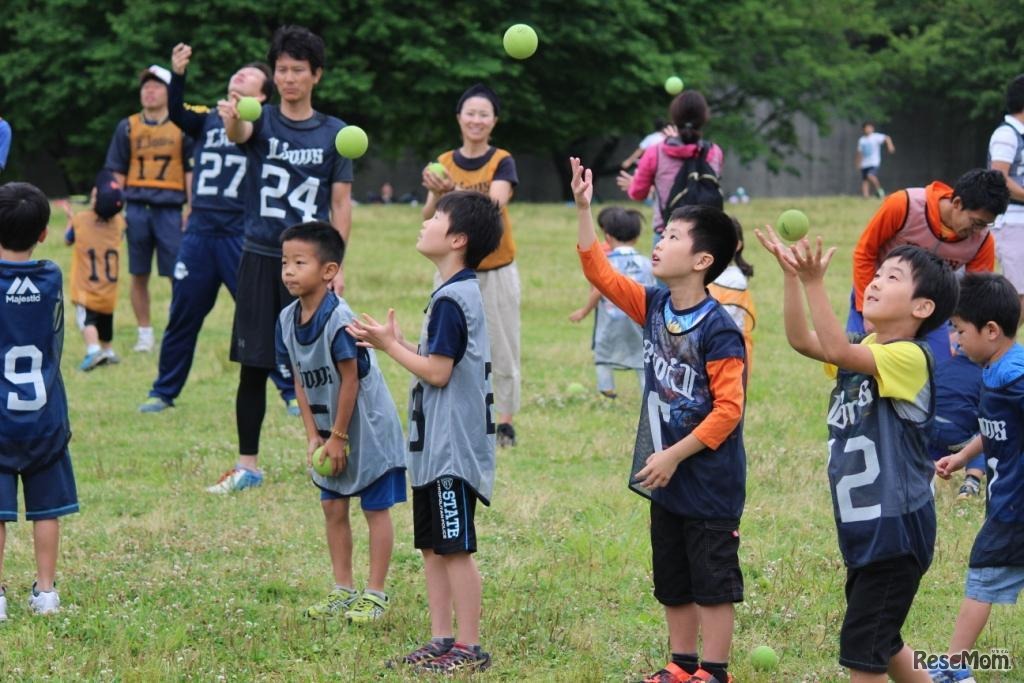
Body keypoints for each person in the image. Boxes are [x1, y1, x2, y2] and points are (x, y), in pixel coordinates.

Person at [758, 225, 959, 682]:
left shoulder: (911, 356)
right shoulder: (868, 347)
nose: (875, 281)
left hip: (896, 528)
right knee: (883, 642)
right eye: (878, 274)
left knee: (862, 652)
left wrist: (815, 283)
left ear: (921, 307)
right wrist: (793, 278)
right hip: (867, 524)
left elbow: (831, 346)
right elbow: (804, 341)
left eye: (892, 278)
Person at [572, 158, 746, 683]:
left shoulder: (719, 329)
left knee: (712, 579)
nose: (659, 241)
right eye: (662, 233)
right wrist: (584, 209)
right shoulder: (653, 305)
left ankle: (714, 672)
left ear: (701, 260)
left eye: (672, 236)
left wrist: (673, 454)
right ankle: (681, 664)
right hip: (664, 472)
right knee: (672, 576)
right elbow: (597, 272)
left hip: (707, 478)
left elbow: (729, 411)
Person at [348, 190, 502, 673]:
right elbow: (441, 361)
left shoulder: (455, 299)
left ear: (456, 238)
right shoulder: (448, 294)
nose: (425, 221)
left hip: (452, 449)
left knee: (455, 549)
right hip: (433, 448)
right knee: (433, 547)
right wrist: (397, 341)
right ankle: (441, 637)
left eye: (435, 217)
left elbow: (437, 372)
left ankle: (469, 647)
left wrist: (388, 348)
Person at [207, 25, 353, 494]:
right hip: (260, 254)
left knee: (325, 361)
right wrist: (231, 116)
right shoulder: (261, 119)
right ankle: (248, 465)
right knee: (253, 363)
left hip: (313, 262)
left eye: (298, 70)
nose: (288, 78)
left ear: (316, 76)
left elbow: (342, 204)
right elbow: (238, 131)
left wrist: (338, 264)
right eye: (282, 70)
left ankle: (337, 445)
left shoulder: (336, 134)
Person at [137, 44, 295, 415]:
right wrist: (178, 75)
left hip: (241, 236)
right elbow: (175, 112)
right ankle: (163, 391)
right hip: (199, 235)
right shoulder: (206, 117)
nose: (238, 75)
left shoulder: (264, 125)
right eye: (236, 73)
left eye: (249, 77)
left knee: (261, 317)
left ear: (261, 95)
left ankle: (290, 390)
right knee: (182, 314)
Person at [275, 222, 406, 622]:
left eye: (300, 262)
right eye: (285, 263)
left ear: (329, 271)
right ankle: (342, 589)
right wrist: (313, 434)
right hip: (329, 431)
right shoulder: (286, 319)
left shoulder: (340, 319)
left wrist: (338, 436)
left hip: (366, 428)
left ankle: (376, 593)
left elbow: (351, 379)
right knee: (333, 508)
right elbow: (298, 377)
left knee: (374, 508)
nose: (289, 271)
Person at [930, 273, 1024, 683]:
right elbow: (994, 427)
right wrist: (964, 456)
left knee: (982, 574)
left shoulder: (1014, 376)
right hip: (1008, 501)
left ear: (991, 330)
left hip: (1014, 508)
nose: (955, 340)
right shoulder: (994, 368)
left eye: (959, 330)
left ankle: (954, 668)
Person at [420, 83, 521, 447]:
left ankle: (505, 421)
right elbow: (428, 214)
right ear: (459, 117)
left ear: (494, 121)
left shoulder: (501, 160)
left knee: (502, 345)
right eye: (470, 112)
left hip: (495, 269)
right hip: (450, 270)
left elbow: (493, 206)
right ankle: (452, 412)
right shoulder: (444, 162)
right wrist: (435, 192)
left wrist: (450, 192)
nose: (476, 119)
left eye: (484, 114)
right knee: (444, 343)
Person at [0, 182, 78, 619]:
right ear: (44, 233)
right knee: (46, 509)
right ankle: (46, 592)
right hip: (44, 413)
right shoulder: (51, 275)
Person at [848, 168, 1008, 364]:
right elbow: (865, 252)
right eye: (976, 222)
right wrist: (867, 309)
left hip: (931, 311)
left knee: (938, 371)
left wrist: (958, 332)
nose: (979, 231)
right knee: (853, 365)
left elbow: (976, 297)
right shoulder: (904, 205)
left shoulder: (982, 241)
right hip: (878, 295)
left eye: (985, 225)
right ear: (957, 203)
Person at [104, 64, 193, 353]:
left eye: (156, 86)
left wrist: (192, 208)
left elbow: (192, 172)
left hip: (169, 209)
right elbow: (116, 171)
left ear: (169, 91)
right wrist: (114, 211)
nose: (149, 91)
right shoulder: (128, 126)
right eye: (145, 87)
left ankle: (176, 329)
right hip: (137, 209)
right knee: (138, 273)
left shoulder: (181, 126)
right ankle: (145, 333)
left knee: (175, 274)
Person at [617, 90, 725, 246]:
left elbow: (638, 193)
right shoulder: (715, 152)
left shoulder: (655, 152)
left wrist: (634, 184)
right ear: (704, 118)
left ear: (674, 118)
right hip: (706, 236)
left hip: (667, 234)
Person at [568, 206, 654, 398]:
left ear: (607, 237)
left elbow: (599, 290)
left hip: (611, 320)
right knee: (643, 358)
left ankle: (606, 388)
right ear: (637, 237)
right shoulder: (647, 263)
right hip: (639, 320)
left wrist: (584, 311)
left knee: (603, 352)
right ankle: (647, 393)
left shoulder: (606, 262)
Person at [65, 169, 126, 371]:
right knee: (105, 319)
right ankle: (107, 350)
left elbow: (68, 240)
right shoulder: (119, 223)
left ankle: (93, 350)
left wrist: (69, 220)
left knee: (87, 321)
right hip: (109, 288)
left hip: (86, 287)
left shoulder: (81, 220)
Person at [928, 324, 986, 501]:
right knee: (986, 437)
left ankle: (925, 482)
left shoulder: (942, 365)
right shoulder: (985, 374)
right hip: (958, 436)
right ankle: (971, 483)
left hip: (929, 430)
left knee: (931, 435)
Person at [987, 74, 1024, 324]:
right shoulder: (1007, 134)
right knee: (1018, 297)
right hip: (1010, 222)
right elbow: (998, 177)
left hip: (1019, 222)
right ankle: (970, 348)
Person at [708, 217, 756, 374]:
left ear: (737, 245)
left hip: (730, 352)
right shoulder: (704, 272)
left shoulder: (736, 280)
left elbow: (724, 317)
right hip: (709, 347)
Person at [856, 123, 895, 199]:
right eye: (866, 128)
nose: (868, 129)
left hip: (874, 162)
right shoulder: (862, 140)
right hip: (864, 163)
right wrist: (858, 162)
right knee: (865, 180)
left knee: (870, 176)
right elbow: (859, 152)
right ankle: (865, 196)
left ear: (872, 129)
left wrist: (890, 146)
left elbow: (887, 138)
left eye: (869, 128)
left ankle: (880, 190)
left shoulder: (876, 137)